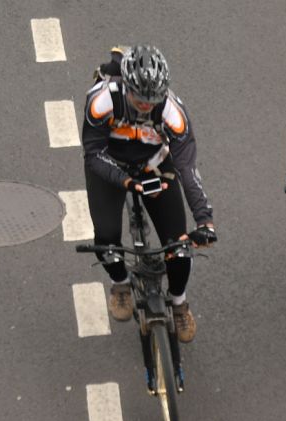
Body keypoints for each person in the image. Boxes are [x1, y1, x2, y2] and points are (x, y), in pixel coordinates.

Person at [81, 46, 217, 341]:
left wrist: (204, 220)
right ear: (126, 86)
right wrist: (125, 181)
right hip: (109, 166)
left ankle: (179, 305)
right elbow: (92, 153)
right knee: (106, 239)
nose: (145, 104)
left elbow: (187, 169)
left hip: (154, 165)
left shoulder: (173, 112)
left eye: (152, 99)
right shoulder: (102, 100)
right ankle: (120, 283)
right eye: (138, 98)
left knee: (179, 246)